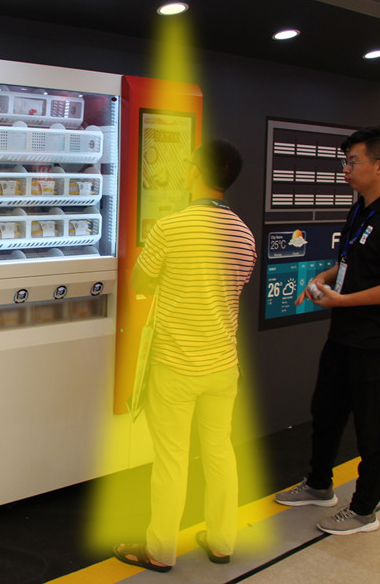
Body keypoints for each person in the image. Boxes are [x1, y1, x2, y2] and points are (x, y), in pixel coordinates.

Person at [274, 124, 380, 535]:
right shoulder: (362, 209)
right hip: (344, 335)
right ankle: (319, 484)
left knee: (373, 427)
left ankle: (363, 510)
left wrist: (344, 301)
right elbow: (350, 264)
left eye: (352, 161)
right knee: (325, 412)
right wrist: (323, 279)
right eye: (345, 161)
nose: (345, 169)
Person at [114, 139, 256, 571]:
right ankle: (222, 542)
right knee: (220, 452)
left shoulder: (170, 228)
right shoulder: (244, 235)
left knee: (171, 460)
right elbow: (237, 286)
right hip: (223, 366)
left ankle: (160, 551)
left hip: (174, 365)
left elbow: (140, 281)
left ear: (194, 171)